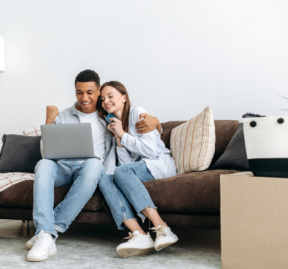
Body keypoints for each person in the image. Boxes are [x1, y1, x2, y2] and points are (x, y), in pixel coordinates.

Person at [26, 70, 161, 262]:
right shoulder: (64, 116)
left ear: (98, 91)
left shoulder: (107, 114)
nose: (85, 97)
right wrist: (48, 122)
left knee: (94, 164)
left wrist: (156, 121)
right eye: (80, 92)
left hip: (90, 169)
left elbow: (133, 116)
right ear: (75, 93)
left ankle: (46, 233)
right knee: (43, 164)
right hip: (63, 167)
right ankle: (46, 233)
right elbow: (46, 152)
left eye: (89, 92)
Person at [97, 81, 178, 258]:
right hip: (138, 170)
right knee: (105, 178)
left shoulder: (137, 113)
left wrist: (123, 136)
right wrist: (118, 139)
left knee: (120, 172)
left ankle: (162, 227)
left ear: (124, 97)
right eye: (103, 99)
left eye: (111, 96)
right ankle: (139, 234)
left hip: (158, 163)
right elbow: (126, 164)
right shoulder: (114, 125)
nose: (106, 101)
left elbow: (150, 151)